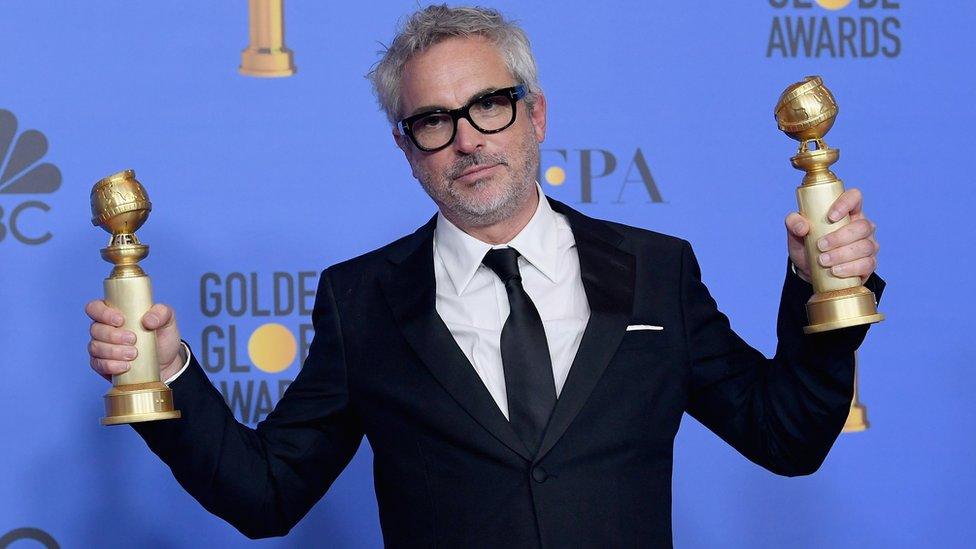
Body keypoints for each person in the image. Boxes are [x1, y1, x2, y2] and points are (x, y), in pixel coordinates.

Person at [85, 5, 884, 546]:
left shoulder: (653, 269)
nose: (467, 139)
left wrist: (823, 294)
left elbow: (786, 435)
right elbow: (266, 494)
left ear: (536, 115)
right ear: (406, 148)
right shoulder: (362, 299)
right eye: (433, 120)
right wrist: (165, 376)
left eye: (490, 106)